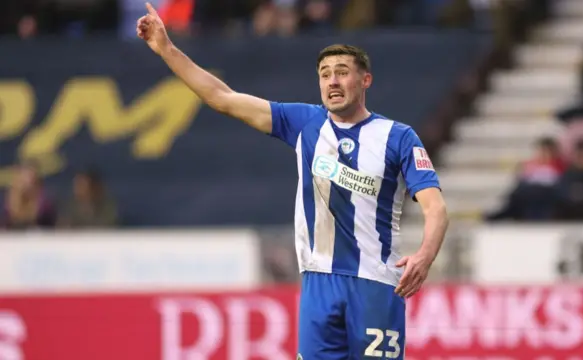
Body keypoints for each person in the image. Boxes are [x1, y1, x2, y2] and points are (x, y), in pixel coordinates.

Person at [137, 3, 448, 358]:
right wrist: (167, 49)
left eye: (342, 72)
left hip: (374, 285)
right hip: (318, 284)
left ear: (365, 80)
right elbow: (222, 97)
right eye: (325, 73)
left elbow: (435, 207)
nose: (332, 81)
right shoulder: (304, 123)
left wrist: (425, 255)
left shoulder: (398, 137)